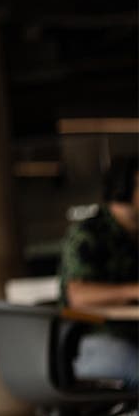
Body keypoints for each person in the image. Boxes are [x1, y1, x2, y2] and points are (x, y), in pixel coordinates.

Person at [59, 155, 139, 389]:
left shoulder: (134, 237)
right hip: (93, 340)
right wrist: (134, 290)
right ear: (123, 189)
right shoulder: (89, 234)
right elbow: (77, 296)